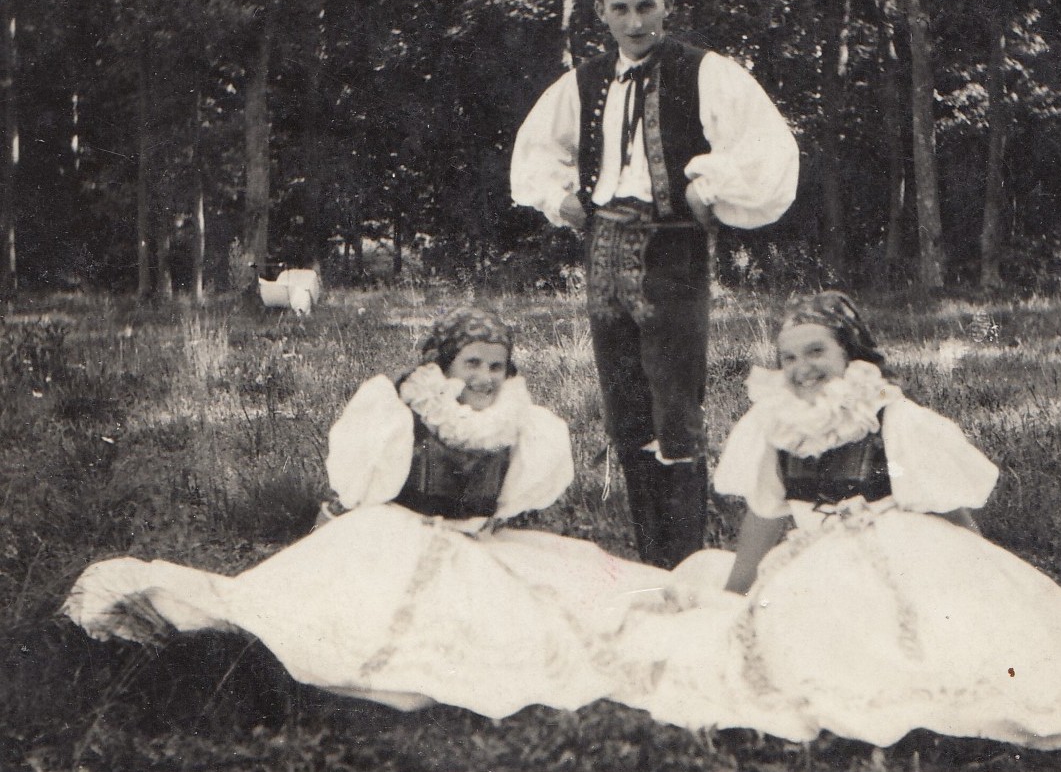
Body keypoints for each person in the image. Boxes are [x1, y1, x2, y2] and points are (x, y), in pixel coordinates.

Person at [610, 291, 1061, 749]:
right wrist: (735, 593)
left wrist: (990, 574)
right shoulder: (773, 424)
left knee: (955, 640)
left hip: (900, 545)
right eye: (788, 357)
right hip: (811, 557)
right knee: (785, 632)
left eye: (816, 351)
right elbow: (764, 515)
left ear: (850, 353)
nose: (802, 369)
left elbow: (947, 504)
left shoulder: (891, 417)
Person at [64, 306, 673, 718]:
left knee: (549, 625)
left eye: (496, 366)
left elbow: (512, 498)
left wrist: (486, 524)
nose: (486, 378)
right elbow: (363, 489)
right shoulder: (402, 411)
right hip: (394, 536)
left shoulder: (523, 425)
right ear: (444, 365)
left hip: (473, 549)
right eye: (472, 364)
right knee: (343, 628)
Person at [510, 0, 799, 570]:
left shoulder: (705, 71)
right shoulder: (583, 82)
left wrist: (706, 190)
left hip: (672, 249)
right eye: (621, 9)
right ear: (601, 12)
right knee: (624, 402)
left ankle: (684, 560)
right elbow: (535, 152)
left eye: (646, 6)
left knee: (674, 400)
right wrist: (562, 200)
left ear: (668, 5)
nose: (635, 22)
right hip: (603, 248)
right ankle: (649, 561)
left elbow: (766, 145)